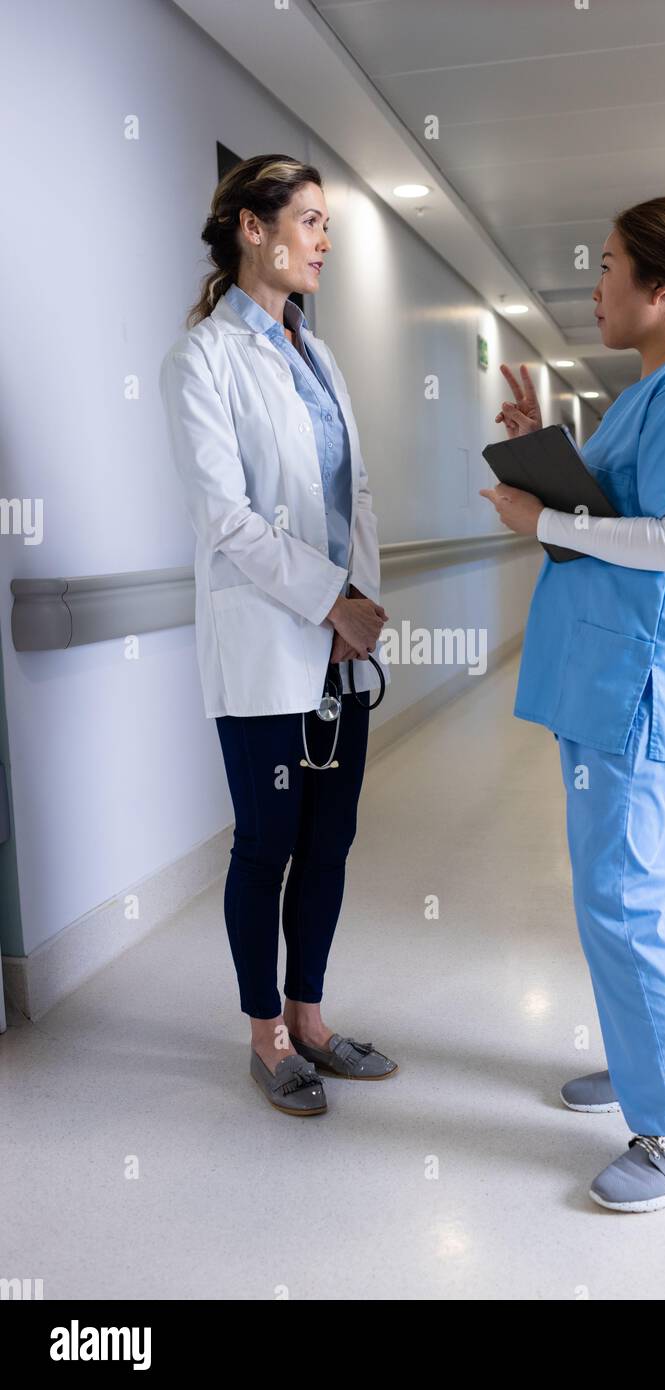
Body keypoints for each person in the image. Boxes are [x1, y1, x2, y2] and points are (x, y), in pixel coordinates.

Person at [480, 196, 665, 1212]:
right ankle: (647, 1067)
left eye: (607, 266)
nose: (594, 285)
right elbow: (620, 514)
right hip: (603, 678)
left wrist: (546, 509)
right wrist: (551, 462)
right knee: (619, 886)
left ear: (662, 285)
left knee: (630, 894)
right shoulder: (646, 390)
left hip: (635, 681)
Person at [159, 154, 398, 1117]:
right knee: (266, 846)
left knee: (330, 843)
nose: (323, 242)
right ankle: (263, 1036)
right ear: (251, 228)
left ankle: (311, 1017)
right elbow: (226, 517)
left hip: (338, 645)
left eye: (326, 224)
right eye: (308, 221)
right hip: (265, 647)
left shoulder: (317, 352)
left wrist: (361, 605)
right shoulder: (200, 359)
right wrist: (326, 601)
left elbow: (354, 495)